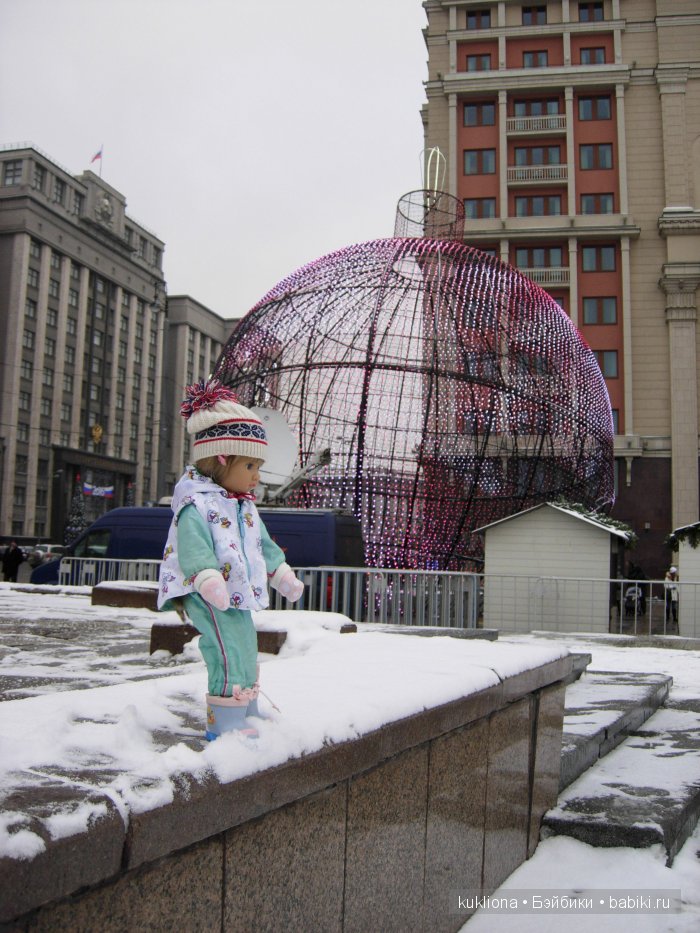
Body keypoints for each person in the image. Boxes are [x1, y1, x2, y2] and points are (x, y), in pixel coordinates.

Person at [158, 378, 304, 741]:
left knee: (245, 645)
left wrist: (280, 573)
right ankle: (224, 722)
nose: (257, 477)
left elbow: (263, 544)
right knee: (223, 647)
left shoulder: (243, 505)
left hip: (234, 590)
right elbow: (192, 546)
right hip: (205, 590)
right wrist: (207, 578)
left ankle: (245, 708)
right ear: (222, 459)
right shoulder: (198, 504)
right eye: (251, 467)